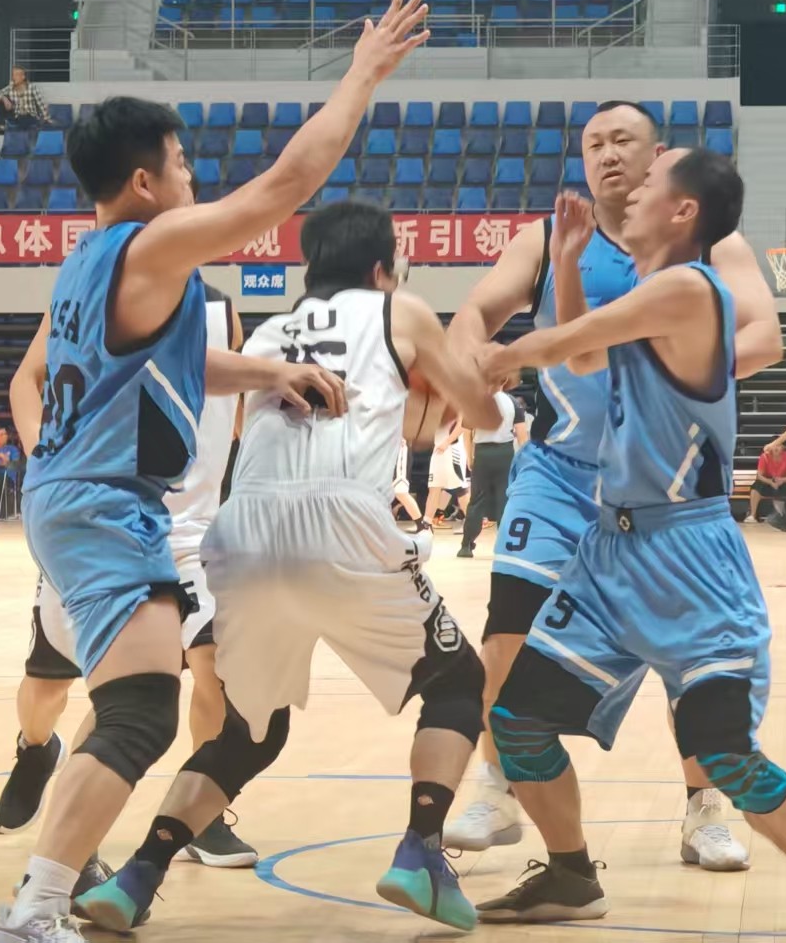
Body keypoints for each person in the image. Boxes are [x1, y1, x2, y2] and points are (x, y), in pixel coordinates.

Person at [0, 0, 429, 943]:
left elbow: (179, 361)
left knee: (131, 704)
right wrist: (362, 75)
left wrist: (270, 371)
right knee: (142, 711)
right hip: (101, 503)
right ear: (144, 180)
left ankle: (44, 887)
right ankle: (35, 908)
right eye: (183, 161)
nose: (194, 174)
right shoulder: (151, 242)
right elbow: (283, 186)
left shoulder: (96, 261)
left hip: (90, 500)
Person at [469, 151, 786, 939]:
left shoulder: (691, 288)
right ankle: (570, 873)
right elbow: (585, 357)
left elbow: (570, 339)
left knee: (723, 753)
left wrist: (502, 355)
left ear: (685, 210)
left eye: (651, 180)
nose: (631, 189)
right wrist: (566, 262)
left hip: (690, 556)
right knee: (517, 718)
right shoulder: (646, 296)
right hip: (611, 550)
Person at [83, 200, 502, 936]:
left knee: (250, 729)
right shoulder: (400, 311)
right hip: (340, 518)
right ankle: (421, 852)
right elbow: (485, 417)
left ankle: (137, 875)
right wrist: (466, 379)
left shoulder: (270, 332)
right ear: (384, 266)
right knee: (459, 682)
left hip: (242, 526)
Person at [441, 102, 782, 866]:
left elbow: (767, 333)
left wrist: (675, 366)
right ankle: (497, 785)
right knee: (506, 627)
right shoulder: (547, 238)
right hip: (557, 474)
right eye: (593, 141)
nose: (606, 153)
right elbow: (477, 312)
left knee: (684, 659)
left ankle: (703, 808)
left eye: (623, 139)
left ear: (657, 155)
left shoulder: (707, 244)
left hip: (658, 492)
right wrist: (467, 363)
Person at [0, 282, 260, 873]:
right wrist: (44, 454)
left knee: (210, 669)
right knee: (48, 688)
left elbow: (236, 408)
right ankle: (36, 749)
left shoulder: (220, 310)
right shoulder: (91, 296)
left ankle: (198, 815)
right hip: (103, 520)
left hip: (192, 531)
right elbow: (26, 380)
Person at [459, 379, 521, 557]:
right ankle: (505, 546)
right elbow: (522, 435)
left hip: (482, 453)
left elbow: (466, 431)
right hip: (505, 453)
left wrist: (469, 456)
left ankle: (466, 545)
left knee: (477, 500)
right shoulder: (513, 402)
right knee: (504, 499)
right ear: (505, 381)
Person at [746, 437, 786, 527]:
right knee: (756, 486)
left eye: (779, 445)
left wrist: (782, 480)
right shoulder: (764, 456)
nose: (776, 448)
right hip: (768, 481)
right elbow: (759, 476)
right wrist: (770, 482)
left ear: (783, 447)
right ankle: (752, 515)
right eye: (774, 445)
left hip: (783, 481)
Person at [0, 67, 49, 136]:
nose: (13, 77)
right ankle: (1, 128)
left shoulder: (32, 87)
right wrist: (4, 98)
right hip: (16, 115)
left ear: (23, 77)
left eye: (16, 75)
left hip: (30, 116)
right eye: (13, 75)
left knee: (23, 118)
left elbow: (41, 104)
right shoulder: (11, 87)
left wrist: (46, 118)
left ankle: (20, 132)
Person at [0, 427, 22, 519]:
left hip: (7, 478)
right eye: (2, 434)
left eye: (6, 434)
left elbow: (14, 463)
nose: (5, 436)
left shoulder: (12, 449)